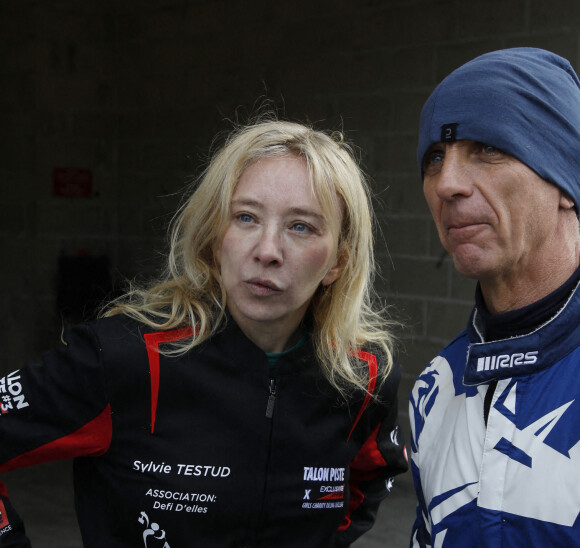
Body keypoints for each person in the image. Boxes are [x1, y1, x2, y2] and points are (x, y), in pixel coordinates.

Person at [0, 119, 408, 547]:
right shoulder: (122, 358)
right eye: (246, 217)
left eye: (300, 226)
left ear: (339, 262)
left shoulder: (362, 376)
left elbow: (370, 475)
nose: (267, 251)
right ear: (217, 238)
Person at [409, 46, 580, 547]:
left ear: (566, 182)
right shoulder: (434, 390)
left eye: (487, 148)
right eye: (435, 158)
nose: (447, 184)